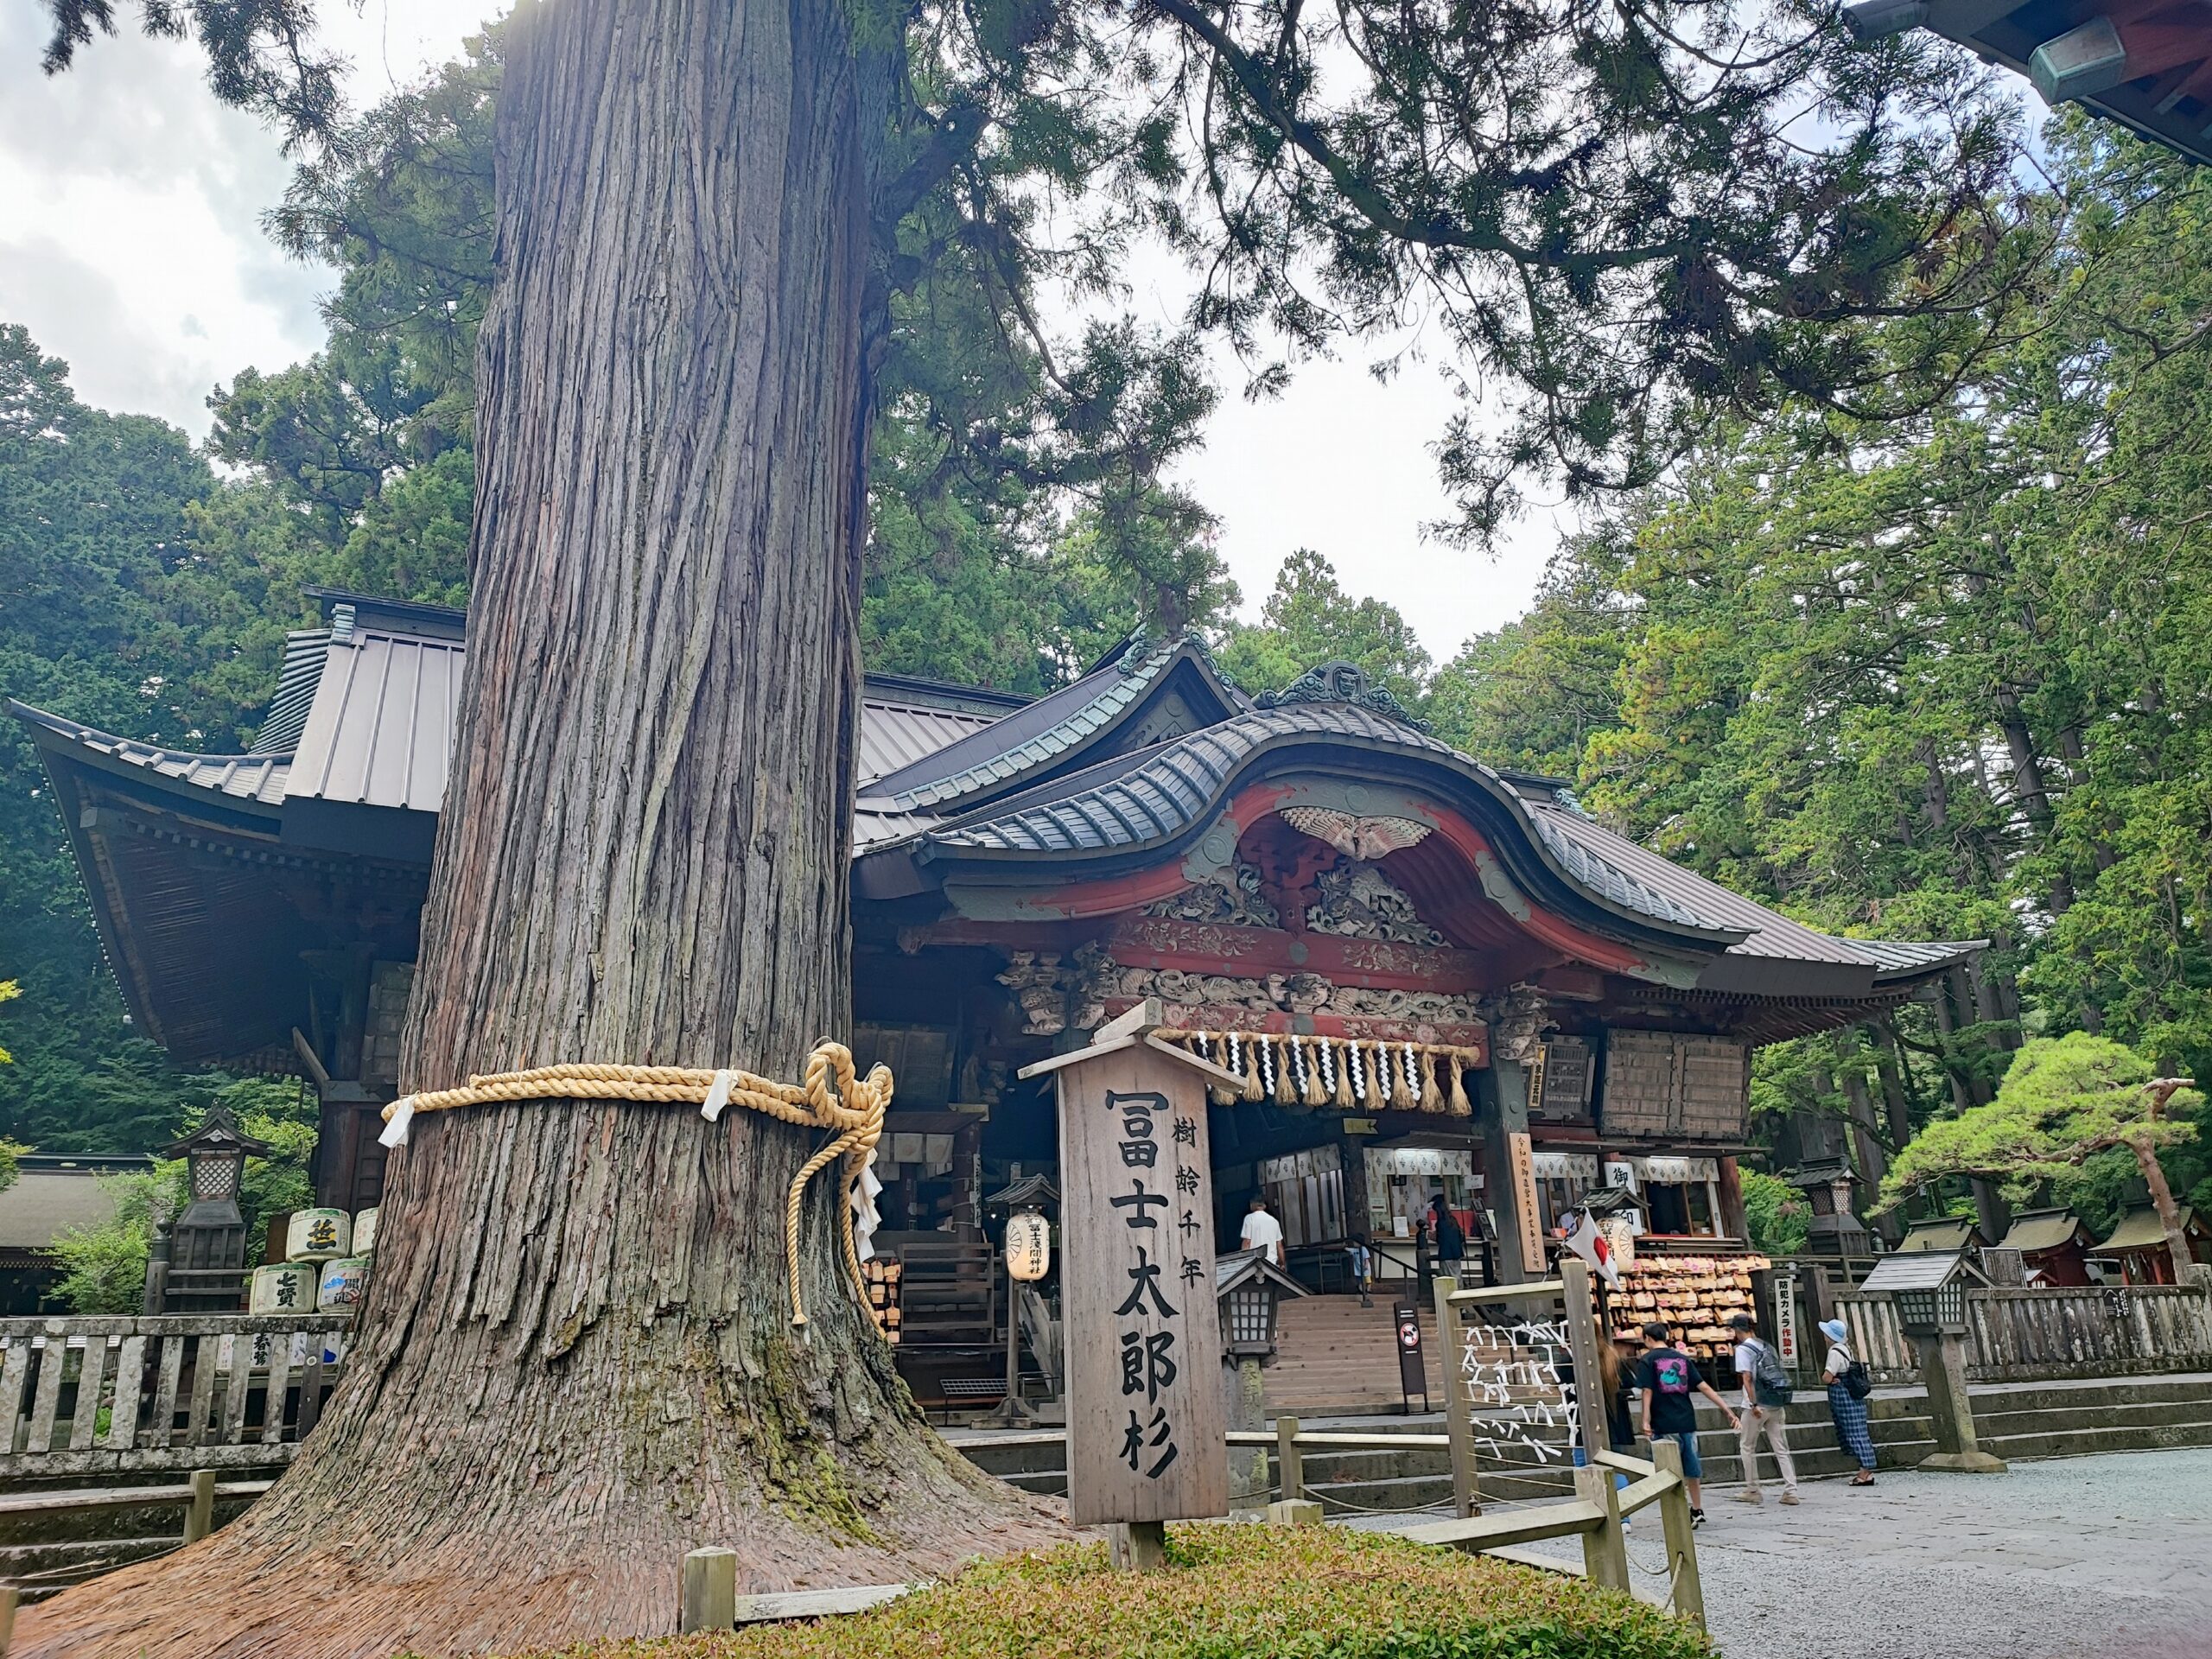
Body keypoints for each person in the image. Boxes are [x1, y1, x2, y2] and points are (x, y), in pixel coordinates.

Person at [1634, 1320, 1738, 1526]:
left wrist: (1645, 1420)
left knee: (1670, 1469)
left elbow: (1647, 1391)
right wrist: (1726, 1410)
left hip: (1663, 1421)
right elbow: (1704, 1387)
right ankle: (1697, 1508)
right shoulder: (1682, 1359)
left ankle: (1680, 1509)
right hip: (1687, 1420)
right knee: (1692, 1467)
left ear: (1648, 1338)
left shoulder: (1647, 1360)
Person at [1728, 1312, 1800, 1505]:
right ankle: (1791, 1491)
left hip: (1757, 1404)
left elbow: (1747, 1378)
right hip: (1776, 1402)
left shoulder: (1743, 1349)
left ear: (1737, 1330)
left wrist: (1753, 1404)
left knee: (1747, 1446)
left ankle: (1753, 1489)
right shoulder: (1765, 1345)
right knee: (1781, 1447)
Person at [1820, 1318, 1877, 1485]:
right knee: (1858, 1429)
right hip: (1852, 1391)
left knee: (1852, 1430)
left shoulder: (1834, 1352)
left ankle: (1865, 1470)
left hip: (1842, 1394)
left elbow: (1827, 1376)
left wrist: (1828, 1379)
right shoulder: (1845, 1349)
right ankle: (1866, 1469)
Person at [1239, 1195, 1284, 1266]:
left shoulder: (1249, 1218)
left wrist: (1244, 1263)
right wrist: (1282, 1264)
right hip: (1272, 1263)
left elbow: (1247, 1242)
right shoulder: (1274, 1221)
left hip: (1255, 1264)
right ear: (1264, 1206)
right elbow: (1279, 1246)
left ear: (1252, 1205)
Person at [1428, 1194, 1465, 1271]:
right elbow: (1461, 1236)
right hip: (1457, 1252)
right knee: (1457, 1276)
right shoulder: (1453, 1220)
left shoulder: (1440, 1223)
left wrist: (1432, 1236)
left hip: (1445, 1253)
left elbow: (1440, 1239)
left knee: (1447, 1278)